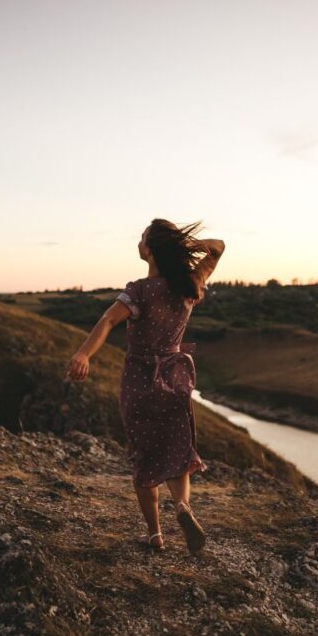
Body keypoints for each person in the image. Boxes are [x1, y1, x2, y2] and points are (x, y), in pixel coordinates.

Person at [64, 219, 224, 554]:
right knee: (177, 451)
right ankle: (182, 506)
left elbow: (108, 319)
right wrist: (185, 246)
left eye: (142, 238)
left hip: (139, 381)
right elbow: (218, 247)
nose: (138, 242)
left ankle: (155, 535)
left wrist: (84, 354)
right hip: (176, 379)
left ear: (150, 250)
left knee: (145, 456)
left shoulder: (139, 290)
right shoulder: (189, 284)